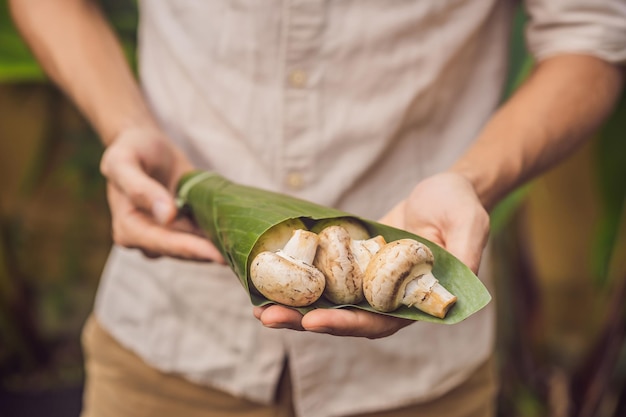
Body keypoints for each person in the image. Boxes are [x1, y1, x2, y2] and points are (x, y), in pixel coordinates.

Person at [10, 1, 625, 416]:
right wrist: (126, 127)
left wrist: (472, 179)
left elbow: (590, 37)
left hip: (419, 381)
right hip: (165, 341)